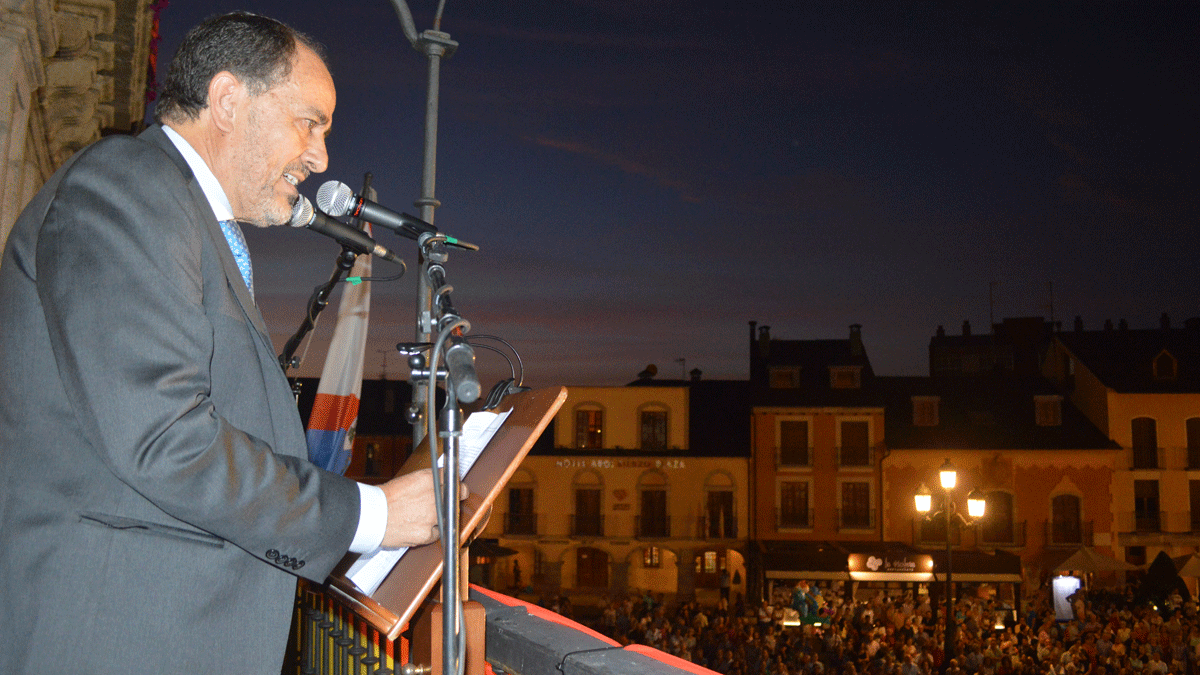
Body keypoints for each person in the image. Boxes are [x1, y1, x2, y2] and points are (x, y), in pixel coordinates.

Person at [0, 12, 456, 674]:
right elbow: (165, 438)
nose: (321, 157)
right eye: (311, 122)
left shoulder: (183, 216)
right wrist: (372, 513)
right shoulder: (128, 184)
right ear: (227, 99)